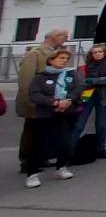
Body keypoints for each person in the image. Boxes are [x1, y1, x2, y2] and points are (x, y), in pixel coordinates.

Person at [23, 48, 82, 188]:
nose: (64, 61)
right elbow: (35, 95)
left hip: (66, 112)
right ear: (51, 60)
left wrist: (68, 101)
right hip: (46, 114)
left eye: (66, 59)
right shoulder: (41, 76)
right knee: (40, 144)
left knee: (65, 142)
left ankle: (61, 167)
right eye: (61, 58)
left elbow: (78, 89)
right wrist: (54, 102)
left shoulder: (71, 74)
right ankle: (32, 174)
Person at [15, 28, 69, 174]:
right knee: (31, 131)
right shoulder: (36, 53)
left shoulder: (54, 53)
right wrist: (30, 101)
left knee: (44, 131)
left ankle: (40, 156)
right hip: (36, 100)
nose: (66, 39)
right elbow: (26, 79)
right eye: (64, 36)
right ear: (54, 37)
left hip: (48, 100)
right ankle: (26, 160)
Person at [71, 44, 106, 160]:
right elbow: (81, 81)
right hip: (88, 95)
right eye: (94, 52)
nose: (97, 54)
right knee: (79, 124)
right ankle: (70, 149)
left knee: (101, 125)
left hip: (104, 96)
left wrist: (93, 80)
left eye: (100, 52)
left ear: (105, 53)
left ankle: (101, 149)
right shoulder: (86, 66)